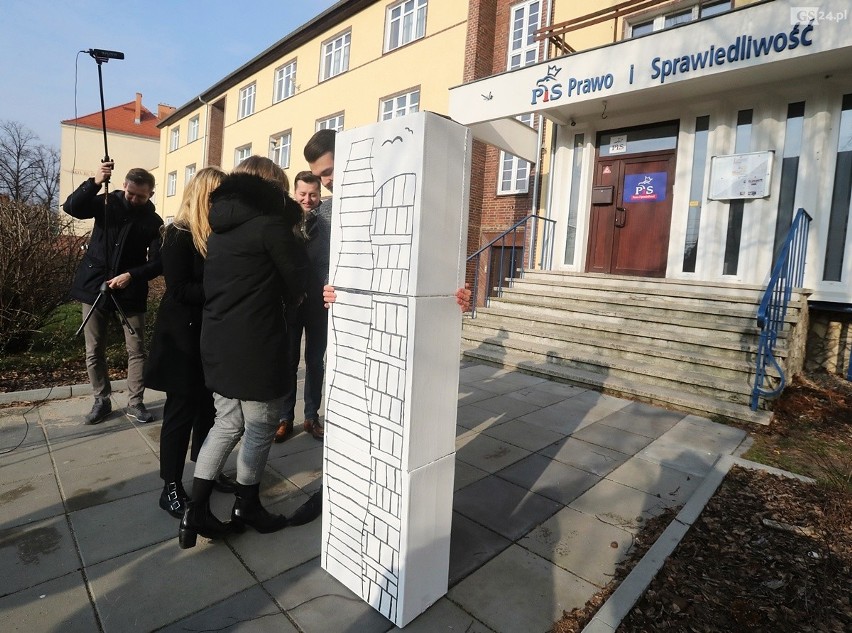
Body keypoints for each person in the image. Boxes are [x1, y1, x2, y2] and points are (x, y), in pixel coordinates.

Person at [179, 156, 308, 548]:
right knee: (261, 425)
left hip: (218, 340)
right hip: (257, 345)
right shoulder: (271, 225)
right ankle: (246, 505)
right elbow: (299, 281)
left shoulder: (219, 226)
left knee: (226, 423)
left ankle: (195, 511)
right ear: (271, 189)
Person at [144, 167, 237, 519]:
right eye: (219, 195)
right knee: (180, 414)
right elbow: (180, 289)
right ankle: (170, 486)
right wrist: (225, 288)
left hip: (208, 336)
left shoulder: (216, 235)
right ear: (203, 196)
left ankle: (205, 471)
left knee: (207, 410)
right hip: (182, 338)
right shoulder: (178, 234)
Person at [63, 162, 163, 425]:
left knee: (137, 349)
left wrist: (132, 275)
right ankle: (101, 400)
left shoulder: (154, 222)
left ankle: (135, 402)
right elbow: (72, 207)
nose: (134, 199)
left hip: (130, 292)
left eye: (140, 196)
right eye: (130, 193)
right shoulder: (106, 202)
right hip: (94, 284)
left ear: (151, 194)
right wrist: (94, 181)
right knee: (94, 348)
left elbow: (157, 263)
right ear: (124, 186)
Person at [275, 171, 329, 443]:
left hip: (318, 303)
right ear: (294, 193)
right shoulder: (284, 221)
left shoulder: (327, 223)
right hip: (291, 303)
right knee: (288, 361)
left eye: (313, 194)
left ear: (319, 195)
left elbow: (330, 261)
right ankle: (285, 417)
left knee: (315, 362)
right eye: (303, 194)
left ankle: (311, 416)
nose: (308, 199)